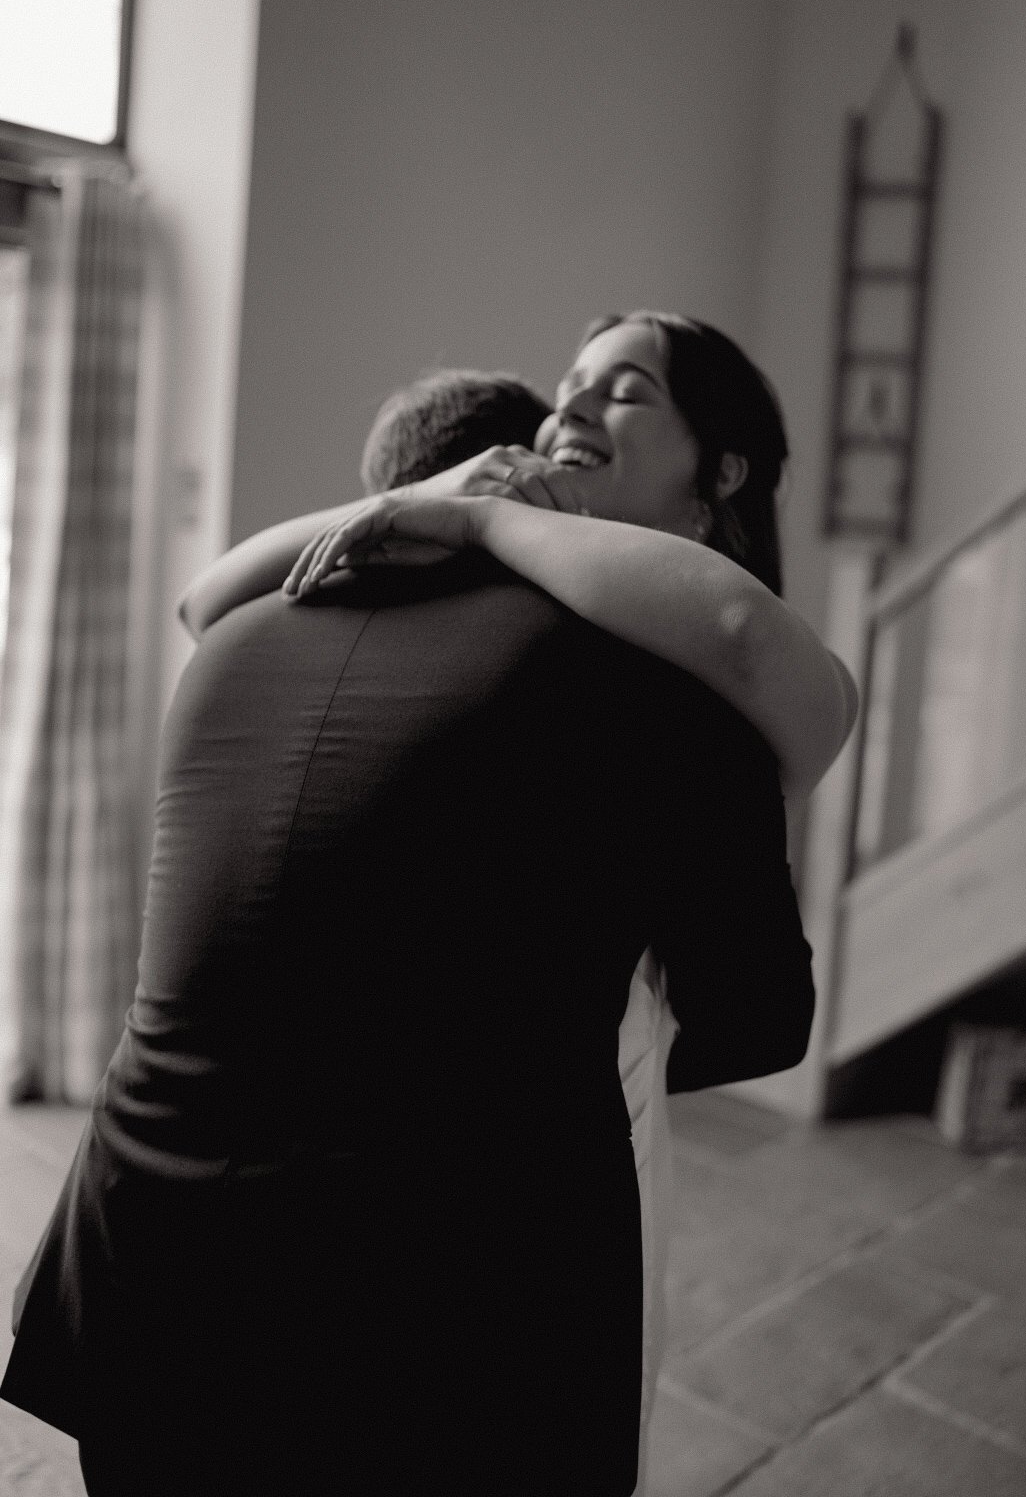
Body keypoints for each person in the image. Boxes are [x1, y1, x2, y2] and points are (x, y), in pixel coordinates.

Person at [0, 319, 833, 1493]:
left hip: (143, 1265)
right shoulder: (665, 687)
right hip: (427, 1320)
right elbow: (756, 1018)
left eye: (622, 391)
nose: (574, 415)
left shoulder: (241, 640)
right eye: (564, 395)